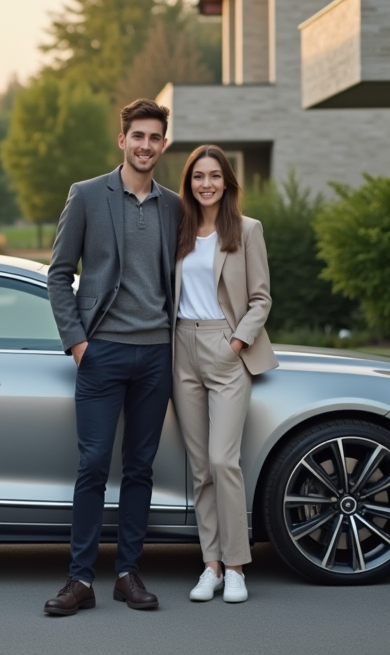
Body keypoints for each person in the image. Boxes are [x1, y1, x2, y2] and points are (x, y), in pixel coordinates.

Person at [43, 98, 181, 616]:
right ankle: (79, 580)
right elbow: (58, 273)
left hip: (155, 358)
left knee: (140, 467)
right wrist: (79, 343)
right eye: (137, 136)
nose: (146, 145)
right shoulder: (86, 196)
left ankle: (127, 573)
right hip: (101, 354)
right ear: (121, 140)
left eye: (155, 138)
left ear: (163, 146)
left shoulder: (173, 205)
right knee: (93, 465)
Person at [172, 145, 277, 604]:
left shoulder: (247, 230)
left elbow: (261, 298)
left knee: (222, 461)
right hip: (181, 348)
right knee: (199, 469)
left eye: (214, 176)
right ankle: (210, 565)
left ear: (227, 182)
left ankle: (236, 567)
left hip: (225, 345)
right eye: (198, 177)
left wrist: (236, 343)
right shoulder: (178, 229)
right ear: (189, 183)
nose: (206, 184)